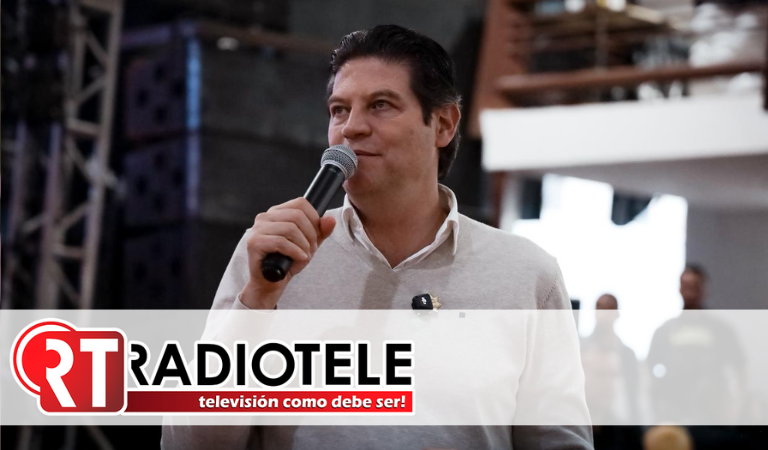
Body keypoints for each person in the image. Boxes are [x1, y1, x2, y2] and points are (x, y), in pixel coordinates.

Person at [162, 24, 592, 449]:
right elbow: (188, 443)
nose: (351, 128)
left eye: (380, 105)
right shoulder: (272, 257)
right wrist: (257, 300)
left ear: (443, 124)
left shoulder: (526, 275)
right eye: (339, 110)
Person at [646, 264, 746, 424]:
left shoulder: (720, 330)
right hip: (675, 413)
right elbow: (649, 368)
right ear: (679, 288)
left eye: (695, 286)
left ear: (704, 289)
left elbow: (740, 367)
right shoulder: (665, 330)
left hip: (712, 416)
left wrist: (736, 405)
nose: (690, 291)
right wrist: (657, 402)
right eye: (686, 286)